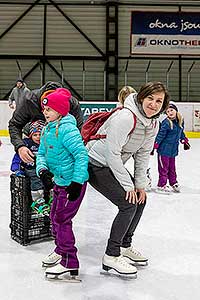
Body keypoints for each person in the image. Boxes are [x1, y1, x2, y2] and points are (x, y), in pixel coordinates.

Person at [87, 81, 170, 277]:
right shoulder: (125, 117)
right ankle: (111, 255)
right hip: (95, 163)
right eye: (150, 98)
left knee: (140, 200)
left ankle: (125, 246)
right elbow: (111, 153)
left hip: (111, 164)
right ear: (141, 98)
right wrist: (128, 186)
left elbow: (142, 155)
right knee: (128, 204)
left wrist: (139, 186)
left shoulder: (154, 124)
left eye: (159, 100)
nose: (154, 104)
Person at [36, 88, 88, 279]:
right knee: (54, 216)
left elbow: (81, 155)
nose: (45, 112)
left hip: (73, 184)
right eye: (44, 109)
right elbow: (41, 153)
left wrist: (76, 182)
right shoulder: (46, 129)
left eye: (49, 109)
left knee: (61, 219)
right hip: (59, 182)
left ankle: (69, 261)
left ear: (60, 110)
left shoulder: (67, 129)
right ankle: (60, 250)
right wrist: (42, 170)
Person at [8, 81, 83, 164]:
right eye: (46, 109)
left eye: (52, 109)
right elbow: (15, 124)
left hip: (59, 138)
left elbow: (79, 130)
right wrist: (20, 146)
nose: (46, 113)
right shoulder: (29, 101)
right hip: (33, 135)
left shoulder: (72, 104)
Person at [10, 120, 50, 215]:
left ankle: (51, 198)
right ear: (30, 135)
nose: (38, 137)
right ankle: (38, 201)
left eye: (40, 134)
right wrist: (17, 169)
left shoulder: (46, 144)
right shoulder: (27, 144)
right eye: (35, 135)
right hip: (30, 169)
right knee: (35, 176)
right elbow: (17, 158)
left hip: (43, 169)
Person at [153, 101, 190, 194]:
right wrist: (155, 145)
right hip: (163, 150)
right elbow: (160, 135)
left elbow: (181, 133)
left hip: (173, 150)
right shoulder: (166, 123)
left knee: (172, 168)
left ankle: (173, 182)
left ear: (176, 110)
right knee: (163, 168)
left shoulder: (180, 121)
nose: (170, 112)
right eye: (168, 111)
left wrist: (184, 140)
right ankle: (161, 185)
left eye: (171, 110)